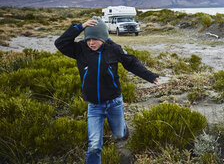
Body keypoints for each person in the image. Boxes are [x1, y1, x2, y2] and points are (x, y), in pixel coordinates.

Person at [55, 16, 159, 164]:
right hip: (94, 106)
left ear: (103, 37)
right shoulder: (80, 49)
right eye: (88, 39)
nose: (91, 43)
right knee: (94, 146)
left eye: (95, 39)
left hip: (114, 103)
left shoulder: (114, 49)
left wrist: (150, 76)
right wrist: (80, 26)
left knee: (119, 134)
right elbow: (60, 43)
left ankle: (123, 129)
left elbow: (131, 62)